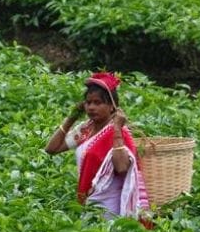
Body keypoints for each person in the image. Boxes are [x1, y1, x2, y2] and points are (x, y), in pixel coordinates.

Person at [45, 72, 151, 224]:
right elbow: (51, 149)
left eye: (98, 102)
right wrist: (72, 117)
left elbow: (122, 167)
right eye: (88, 103)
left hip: (110, 208)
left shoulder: (120, 132)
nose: (91, 107)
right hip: (89, 205)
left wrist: (116, 130)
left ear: (111, 106)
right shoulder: (85, 129)